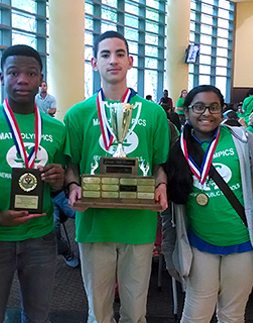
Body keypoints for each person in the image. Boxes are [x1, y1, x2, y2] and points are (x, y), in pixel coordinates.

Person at [64, 30, 169, 323]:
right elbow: (71, 162)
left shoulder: (153, 113)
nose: (113, 61)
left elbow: (160, 163)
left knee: (136, 311)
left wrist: (161, 185)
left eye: (120, 54)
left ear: (130, 61)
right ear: (94, 62)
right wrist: (73, 185)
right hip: (95, 223)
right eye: (106, 55)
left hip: (139, 224)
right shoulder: (78, 114)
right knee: (98, 312)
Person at [0, 45, 66, 323]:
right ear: (1, 77)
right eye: (14, 72)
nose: (22, 79)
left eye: (31, 73)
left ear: (41, 79)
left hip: (41, 237)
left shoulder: (56, 129)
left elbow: (59, 184)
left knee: (38, 316)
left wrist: (60, 178)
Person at [162, 85, 253, 323]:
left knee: (232, 314)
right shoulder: (178, 150)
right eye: (198, 107)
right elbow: (169, 211)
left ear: (222, 111)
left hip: (244, 247)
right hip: (200, 246)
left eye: (214, 107)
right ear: (186, 111)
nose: (206, 113)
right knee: (195, 314)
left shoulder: (244, 141)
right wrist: (170, 251)